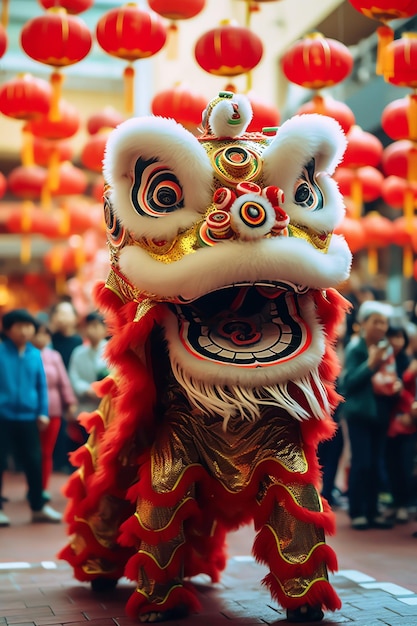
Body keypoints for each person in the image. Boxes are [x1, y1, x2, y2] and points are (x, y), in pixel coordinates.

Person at [341, 300, 402, 531]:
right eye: (376, 321)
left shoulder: (387, 349)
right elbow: (347, 383)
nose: (381, 327)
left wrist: (395, 387)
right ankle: (357, 511)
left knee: (377, 464)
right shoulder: (356, 348)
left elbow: (390, 378)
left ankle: (373, 511)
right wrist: (370, 365)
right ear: (364, 323)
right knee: (362, 463)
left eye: (384, 322)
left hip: (381, 413)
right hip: (359, 414)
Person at [0, 308, 62, 527]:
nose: (26, 331)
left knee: (34, 462)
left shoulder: (35, 354)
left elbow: (41, 386)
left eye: (29, 326)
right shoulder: (1, 352)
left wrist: (43, 412)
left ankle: (37, 507)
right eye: (20, 326)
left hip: (29, 416)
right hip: (3, 415)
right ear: (8, 329)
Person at [32, 319, 78, 498]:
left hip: (54, 409)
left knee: (46, 451)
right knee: (33, 452)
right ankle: (33, 485)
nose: (42, 337)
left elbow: (64, 382)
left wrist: (70, 402)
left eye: (45, 333)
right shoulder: (28, 355)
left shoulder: (54, 356)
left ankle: (42, 487)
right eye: (39, 333)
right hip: (31, 412)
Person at [384, 321, 417, 525]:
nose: (397, 341)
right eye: (392, 336)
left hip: (407, 419)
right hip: (387, 421)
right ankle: (396, 502)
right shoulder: (383, 360)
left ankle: (405, 503)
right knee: (391, 463)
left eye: (400, 337)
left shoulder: (408, 361)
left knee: (405, 464)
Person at [49, 300, 83, 472]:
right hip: (53, 393)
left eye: (66, 313)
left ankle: (71, 462)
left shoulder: (79, 342)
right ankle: (57, 461)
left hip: (74, 391)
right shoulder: (49, 341)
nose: (62, 317)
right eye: (59, 313)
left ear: (74, 318)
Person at [67, 311, 109, 446]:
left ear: (104, 329)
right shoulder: (78, 352)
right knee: (88, 444)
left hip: (106, 405)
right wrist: (87, 389)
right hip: (86, 404)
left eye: (96, 326)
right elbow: (73, 376)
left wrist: (102, 389)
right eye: (89, 326)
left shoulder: (111, 350)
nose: (92, 330)